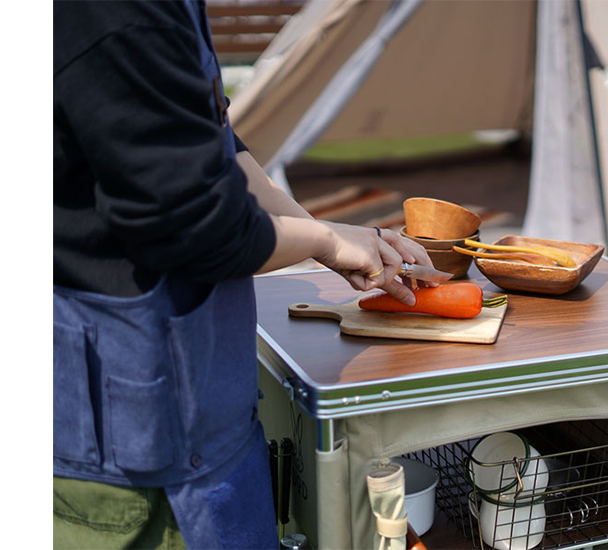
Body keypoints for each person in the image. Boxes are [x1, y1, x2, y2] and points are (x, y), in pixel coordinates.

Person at [53, 1, 433, 548]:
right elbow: (196, 225)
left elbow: (213, 142)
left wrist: (327, 236)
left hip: (215, 429)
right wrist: (326, 240)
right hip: (132, 464)